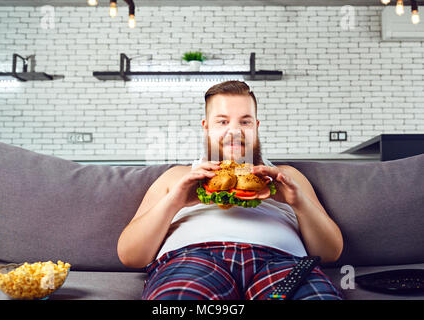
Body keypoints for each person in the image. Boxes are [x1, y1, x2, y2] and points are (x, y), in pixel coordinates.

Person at [117, 80, 344, 300]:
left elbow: (330, 253)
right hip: (193, 260)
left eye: (245, 122)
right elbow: (131, 256)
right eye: (222, 122)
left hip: (283, 263)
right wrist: (174, 202)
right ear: (206, 127)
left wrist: (298, 203)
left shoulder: (288, 176)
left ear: (256, 126)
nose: (235, 131)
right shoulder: (176, 176)